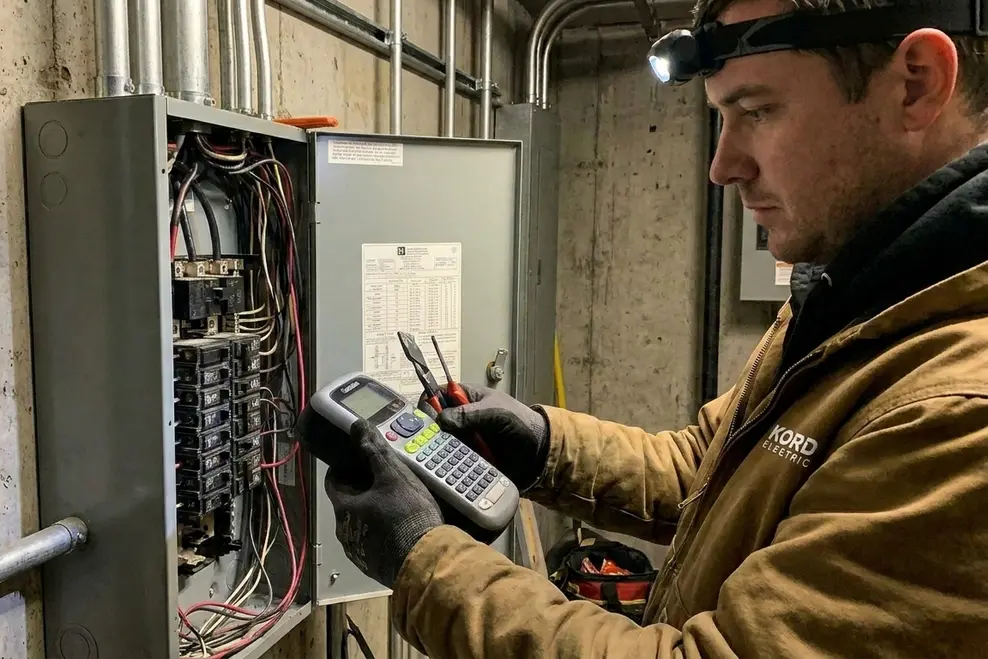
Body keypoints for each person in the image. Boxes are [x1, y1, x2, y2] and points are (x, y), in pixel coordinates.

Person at [296, 0, 988, 655]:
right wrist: (544, 444)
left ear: (915, 84)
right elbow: (709, 468)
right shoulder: (860, 296)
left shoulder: (957, 416)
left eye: (757, 110)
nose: (724, 165)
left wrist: (425, 561)